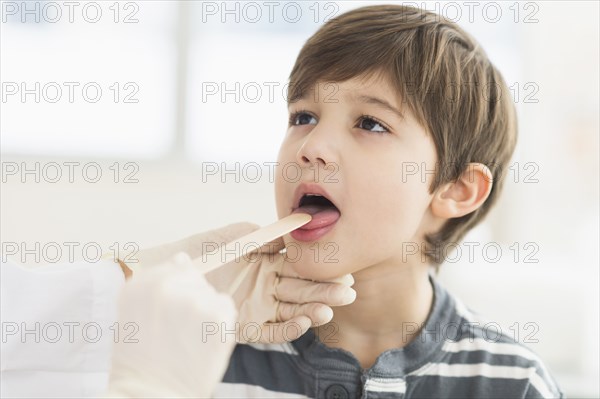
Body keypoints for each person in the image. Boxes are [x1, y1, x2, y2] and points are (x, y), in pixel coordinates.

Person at [208, 4, 565, 398]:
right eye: (303, 117)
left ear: (456, 189)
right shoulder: (207, 355)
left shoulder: (514, 385)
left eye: (370, 124)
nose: (312, 147)